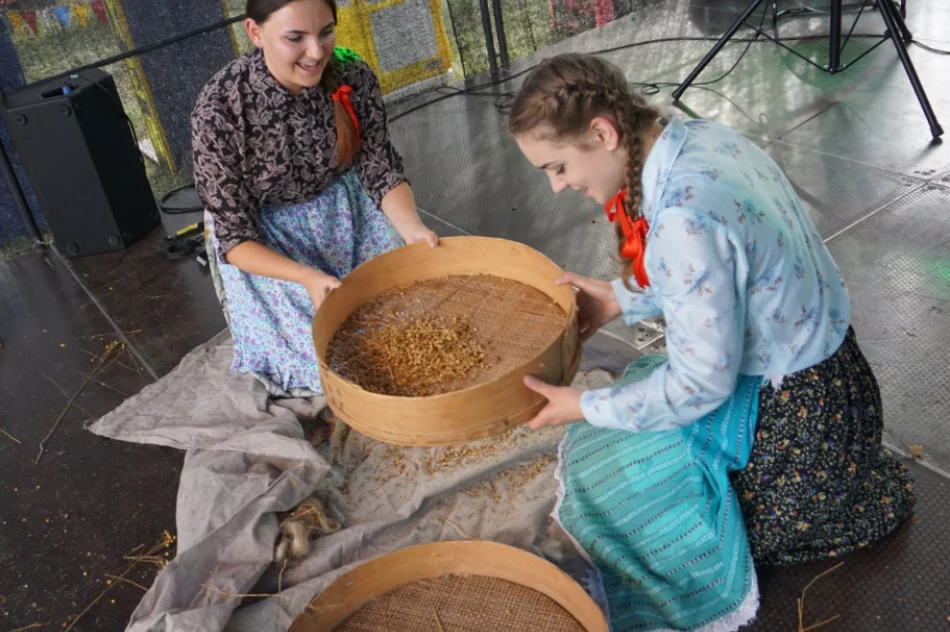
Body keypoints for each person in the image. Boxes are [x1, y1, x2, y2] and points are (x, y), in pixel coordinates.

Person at [507, 53, 914, 631]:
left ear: (602, 133)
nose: (556, 187)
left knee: (660, 507)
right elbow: (719, 269)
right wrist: (621, 296)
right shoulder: (695, 137)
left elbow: (700, 382)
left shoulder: (681, 216)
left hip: (803, 418)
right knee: (644, 441)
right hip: (839, 374)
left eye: (556, 166)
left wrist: (584, 406)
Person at [191, 0, 437, 398]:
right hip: (268, 237)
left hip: (346, 212)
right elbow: (234, 238)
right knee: (328, 358)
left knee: (405, 319)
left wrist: (412, 230)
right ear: (255, 32)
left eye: (325, 32)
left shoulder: (351, 73)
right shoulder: (220, 107)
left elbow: (380, 169)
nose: (317, 52)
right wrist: (306, 276)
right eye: (295, 38)